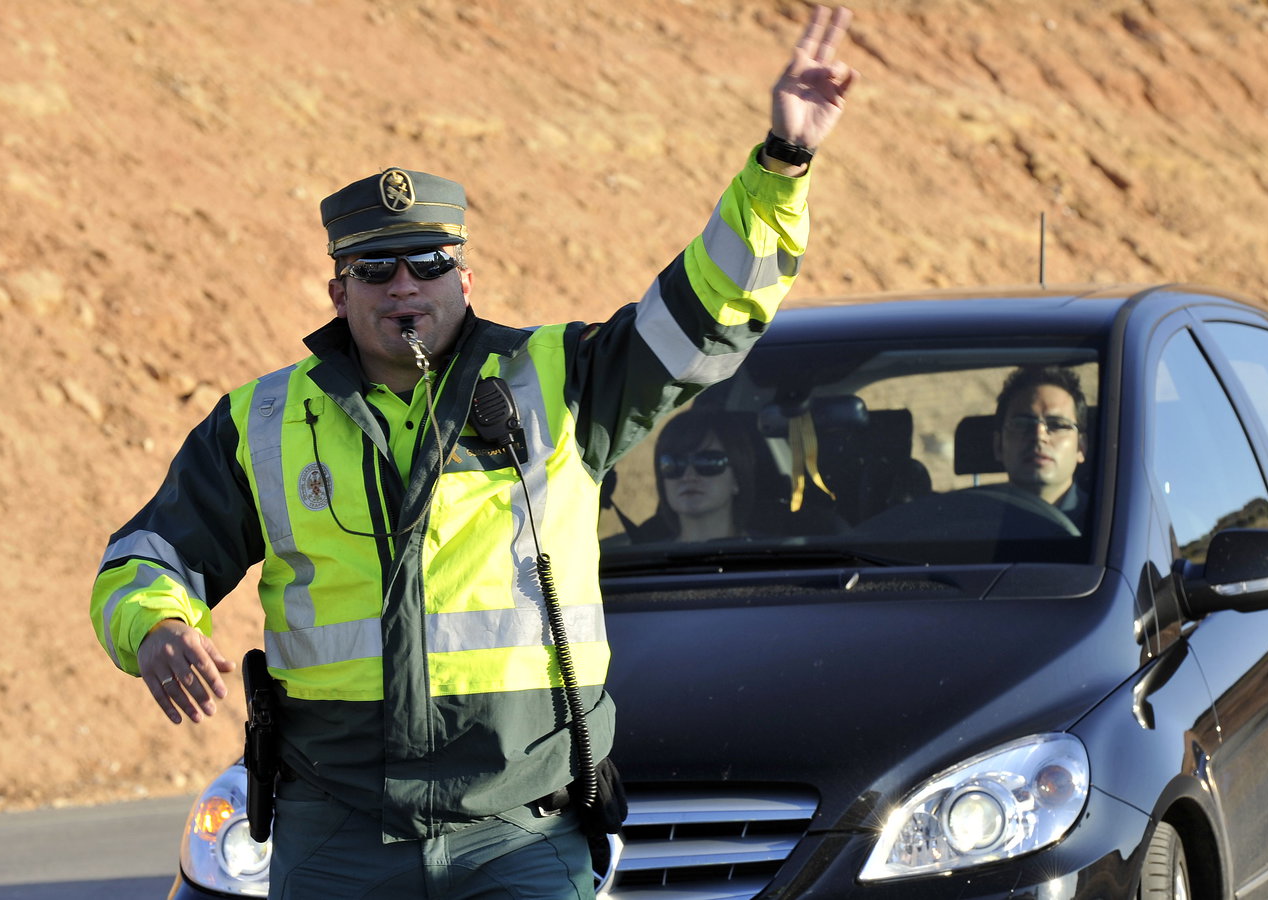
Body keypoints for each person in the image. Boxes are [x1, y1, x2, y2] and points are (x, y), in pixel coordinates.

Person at [88, 7, 857, 898]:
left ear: (465, 276)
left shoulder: (562, 379)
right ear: (339, 291)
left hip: (519, 832)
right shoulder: (261, 419)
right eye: (377, 270)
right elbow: (146, 555)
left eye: (426, 261)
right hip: (337, 831)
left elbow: (708, 314)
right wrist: (158, 626)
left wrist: (781, 164)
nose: (404, 284)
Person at [635, 411, 758, 543]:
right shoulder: (644, 560)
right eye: (673, 464)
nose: (688, 477)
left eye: (708, 461)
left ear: (737, 479)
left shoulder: (770, 557)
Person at [992, 364, 1090, 528]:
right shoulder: (971, 523)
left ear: (1081, 447)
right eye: (1022, 424)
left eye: (1057, 424)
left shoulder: (1110, 524)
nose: (1039, 435)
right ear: (998, 446)